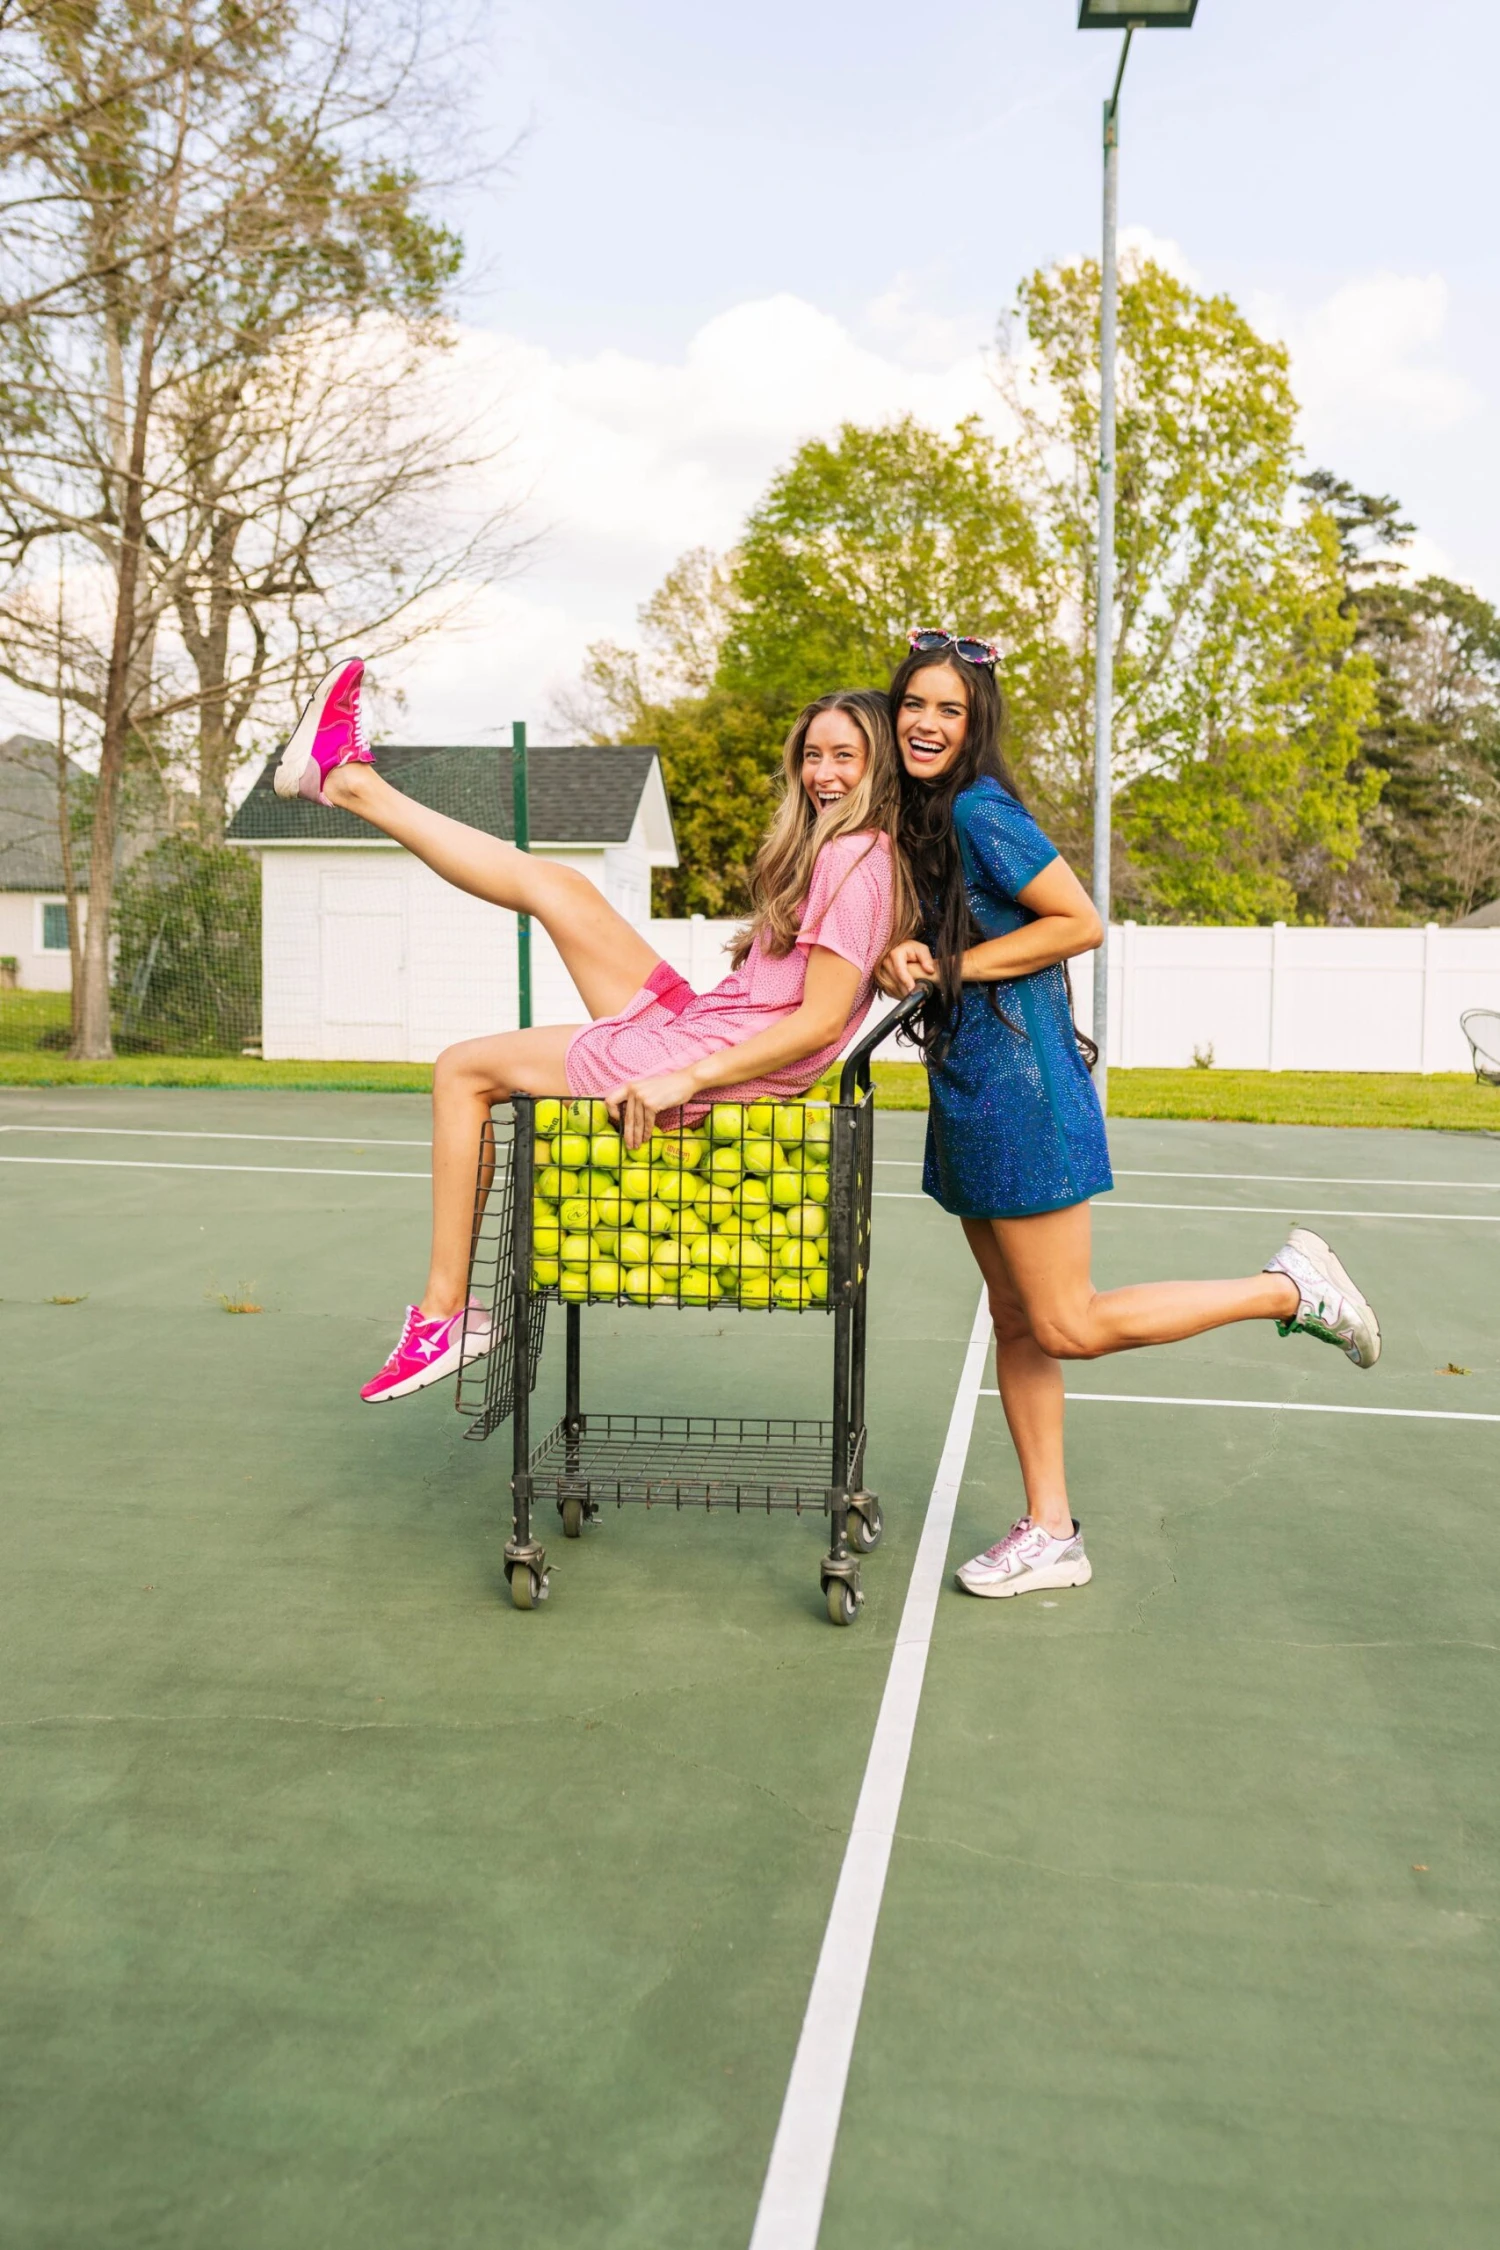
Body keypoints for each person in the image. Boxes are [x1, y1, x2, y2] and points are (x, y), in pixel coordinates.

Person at [878, 629, 1380, 1602]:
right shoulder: (927, 820)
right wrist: (907, 951)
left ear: (977, 725)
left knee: (1062, 1322)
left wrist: (947, 965)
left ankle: (1288, 1289)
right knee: (1016, 1320)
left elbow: (1079, 922)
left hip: (1024, 1096)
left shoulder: (981, 809)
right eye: (915, 705)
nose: (928, 723)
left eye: (951, 709)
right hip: (973, 1093)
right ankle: (1051, 1531)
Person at [274, 659, 911, 1402]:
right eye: (812, 754)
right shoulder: (848, 852)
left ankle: (443, 1317)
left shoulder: (855, 856)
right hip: (705, 1024)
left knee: (461, 1069)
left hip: (703, 1059)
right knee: (560, 886)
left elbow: (821, 1022)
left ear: (880, 769)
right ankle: (347, 781)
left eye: (846, 756)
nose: (823, 774)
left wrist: (688, 1078)